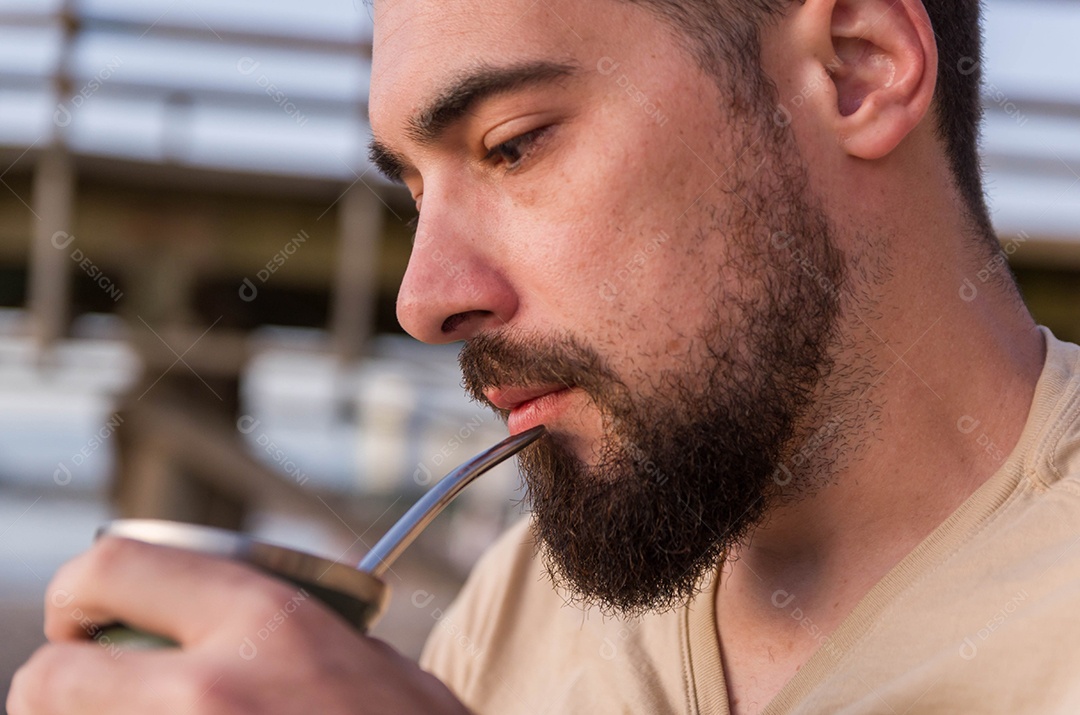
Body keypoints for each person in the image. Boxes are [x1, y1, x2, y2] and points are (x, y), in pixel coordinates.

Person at [9, 0, 1080, 713]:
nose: (423, 300)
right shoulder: (516, 609)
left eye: (512, 145)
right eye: (414, 189)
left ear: (857, 71)